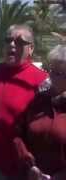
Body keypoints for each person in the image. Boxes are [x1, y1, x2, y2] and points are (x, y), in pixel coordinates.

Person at [0, 24, 48, 180]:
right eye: (8, 40)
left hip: (16, 168)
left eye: (19, 42)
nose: (12, 45)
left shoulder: (42, 81)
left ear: (31, 48)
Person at [14, 45, 66, 180]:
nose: (51, 76)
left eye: (58, 73)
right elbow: (18, 134)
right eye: (51, 70)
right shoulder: (38, 100)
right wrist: (29, 165)